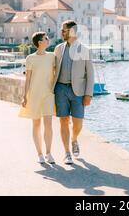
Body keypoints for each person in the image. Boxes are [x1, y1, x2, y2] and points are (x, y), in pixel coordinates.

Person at [53, 20, 94, 165]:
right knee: (63, 120)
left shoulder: (85, 50)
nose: (61, 32)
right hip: (60, 89)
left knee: (78, 123)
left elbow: (90, 74)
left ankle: (74, 139)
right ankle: (67, 153)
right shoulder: (58, 48)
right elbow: (52, 69)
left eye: (64, 30)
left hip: (78, 91)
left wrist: (88, 94)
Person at [20, 32, 56, 164]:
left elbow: (57, 74)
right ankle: (39, 154)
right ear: (40, 42)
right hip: (34, 94)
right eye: (46, 39)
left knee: (48, 124)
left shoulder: (52, 57)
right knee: (36, 124)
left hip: (48, 95)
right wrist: (24, 96)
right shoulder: (30, 58)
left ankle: (48, 153)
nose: (48, 40)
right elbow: (28, 79)